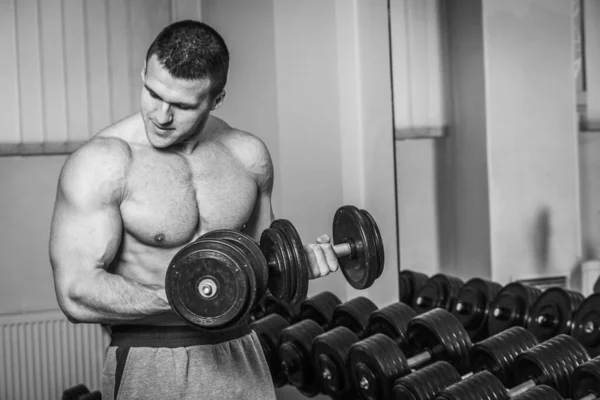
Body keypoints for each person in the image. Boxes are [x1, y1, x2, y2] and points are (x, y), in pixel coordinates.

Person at [49, 20, 339, 400]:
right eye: (153, 93)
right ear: (144, 73)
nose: (161, 115)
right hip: (150, 357)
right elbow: (75, 293)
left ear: (216, 99)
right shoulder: (102, 163)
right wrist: (182, 296)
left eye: (183, 105)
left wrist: (298, 267)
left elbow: (262, 271)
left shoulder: (247, 157)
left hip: (241, 351)